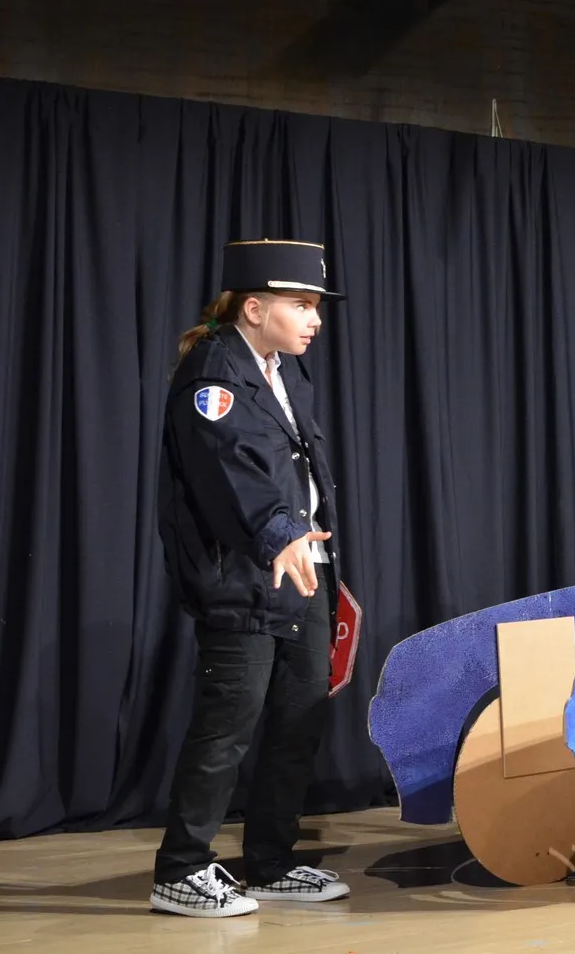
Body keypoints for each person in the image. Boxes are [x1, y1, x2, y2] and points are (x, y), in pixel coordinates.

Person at [151, 239, 351, 917]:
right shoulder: (214, 373)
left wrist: (316, 557)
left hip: (301, 571)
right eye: (301, 304)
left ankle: (269, 862)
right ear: (255, 307)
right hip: (243, 576)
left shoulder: (284, 372)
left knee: (298, 720)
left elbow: (299, 470)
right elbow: (227, 466)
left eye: (317, 306)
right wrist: (278, 533)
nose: (314, 318)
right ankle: (180, 869)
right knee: (227, 725)